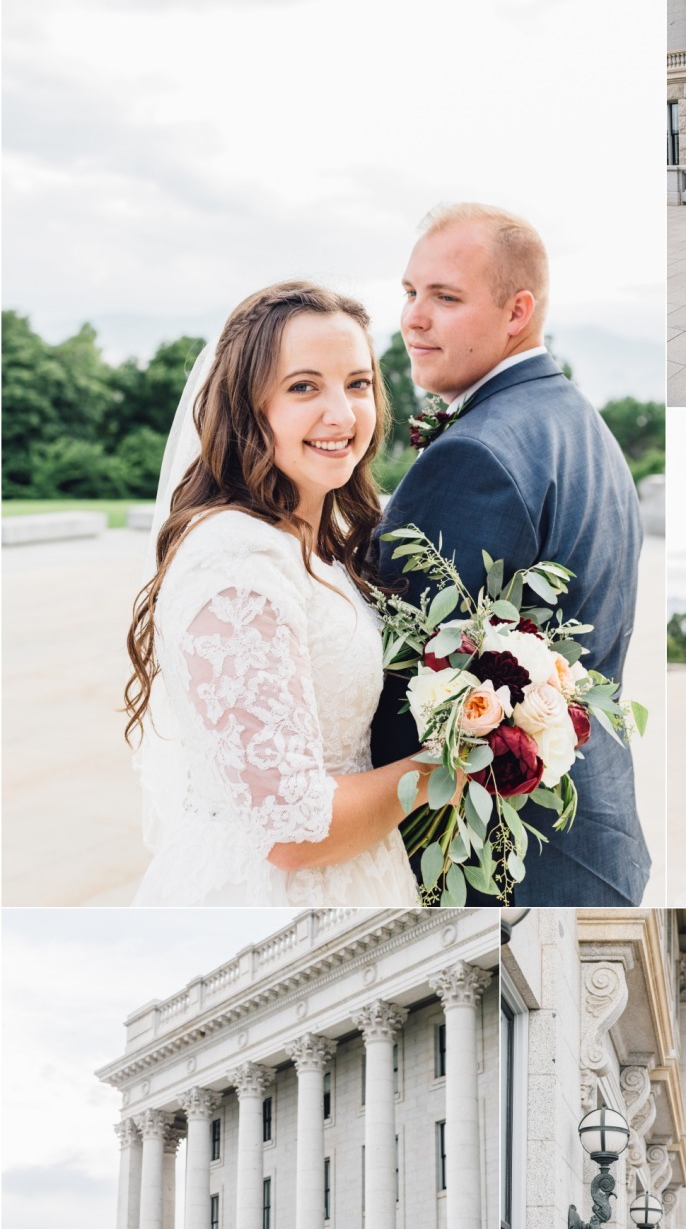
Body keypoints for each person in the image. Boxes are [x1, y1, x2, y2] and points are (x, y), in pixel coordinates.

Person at [369, 202, 650, 906]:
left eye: (445, 297)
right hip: (593, 833)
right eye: (410, 293)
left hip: (514, 863)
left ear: (516, 311)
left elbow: (402, 693)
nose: (412, 318)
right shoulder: (581, 425)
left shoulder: (476, 454)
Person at [125, 281, 430, 909]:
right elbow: (294, 830)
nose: (342, 415)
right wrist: (445, 767)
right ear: (246, 406)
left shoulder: (314, 544)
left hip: (358, 877)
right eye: (304, 386)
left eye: (358, 383)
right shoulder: (238, 560)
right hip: (273, 892)